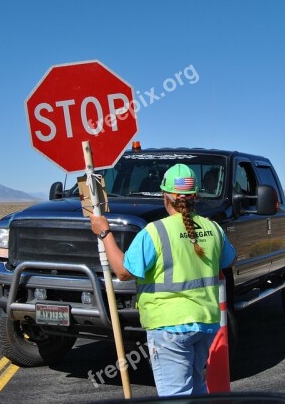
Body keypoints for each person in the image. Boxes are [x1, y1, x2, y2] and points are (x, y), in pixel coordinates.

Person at [89, 163, 237, 396]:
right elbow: (228, 260)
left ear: (164, 197)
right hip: (206, 324)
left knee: (176, 394)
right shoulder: (214, 228)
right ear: (195, 196)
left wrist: (105, 233)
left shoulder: (154, 232)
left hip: (170, 327)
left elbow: (124, 272)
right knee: (197, 388)